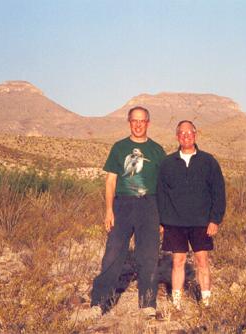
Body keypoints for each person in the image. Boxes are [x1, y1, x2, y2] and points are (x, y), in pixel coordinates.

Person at [85, 106, 166, 319]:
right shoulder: (119, 148)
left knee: (148, 255)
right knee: (113, 253)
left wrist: (163, 217)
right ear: (129, 122)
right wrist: (109, 210)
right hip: (122, 205)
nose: (138, 124)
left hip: (150, 205)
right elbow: (110, 181)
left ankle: (147, 303)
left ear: (148, 122)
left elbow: (163, 185)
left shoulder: (157, 150)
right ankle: (99, 303)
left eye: (142, 121)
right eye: (134, 120)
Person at [157, 120, 225, 309]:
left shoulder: (209, 161)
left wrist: (215, 219)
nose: (186, 136)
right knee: (178, 261)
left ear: (195, 135)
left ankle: (206, 302)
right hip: (175, 222)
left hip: (201, 222)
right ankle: (176, 304)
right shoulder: (167, 163)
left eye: (189, 132)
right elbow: (161, 194)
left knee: (202, 261)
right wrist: (162, 221)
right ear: (177, 136)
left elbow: (218, 192)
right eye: (182, 133)